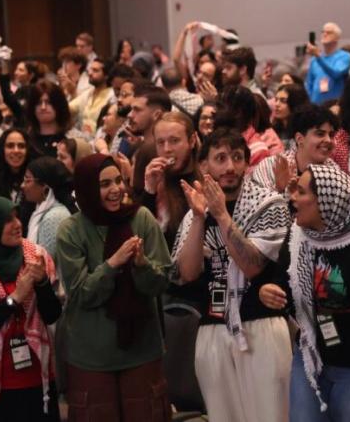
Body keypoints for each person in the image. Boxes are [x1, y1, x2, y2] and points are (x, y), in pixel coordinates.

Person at [257, 164, 350, 420]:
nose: (293, 199)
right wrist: (268, 292)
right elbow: (282, 283)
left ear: (326, 200)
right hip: (310, 357)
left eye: (301, 193)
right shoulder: (297, 239)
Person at [172, 128, 291, 422]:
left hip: (261, 325)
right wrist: (201, 217)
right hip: (212, 328)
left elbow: (252, 265)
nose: (229, 168)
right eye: (220, 158)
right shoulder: (193, 213)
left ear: (247, 162)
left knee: (271, 416)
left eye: (237, 158)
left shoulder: (269, 204)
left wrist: (222, 215)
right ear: (203, 166)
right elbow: (188, 272)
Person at [56, 154, 172, 420]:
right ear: (86, 188)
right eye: (104, 184)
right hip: (91, 356)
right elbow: (81, 294)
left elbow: (162, 280)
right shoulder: (70, 231)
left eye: (119, 180)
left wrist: (142, 265)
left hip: (141, 349)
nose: (116, 190)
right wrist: (113, 263)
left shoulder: (141, 218)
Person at [0, 196, 60, 422]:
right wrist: (15, 297)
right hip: (0, 380)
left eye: (16, 216)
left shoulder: (36, 256)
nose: (17, 224)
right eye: (6, 220)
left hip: (38, 374)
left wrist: (41, 283)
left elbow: (52, 315)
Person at [251, 104, 339, 203]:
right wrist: (281, 191)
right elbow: (259, 208)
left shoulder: (335, 173)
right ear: (299, 139)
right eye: (320, 134)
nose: (328, 140)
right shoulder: (271, 166)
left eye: (331, 135)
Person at [139, 112, 201, 249]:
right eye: (160, 143)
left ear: (192, 141)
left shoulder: (207, 180)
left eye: (174, 141)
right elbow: (139, 234)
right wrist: (149, 191)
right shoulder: (156, 184)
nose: (167, 149)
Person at [21, 157, 76, 255]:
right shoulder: (40, 210)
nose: (22, 185)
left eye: (27, 180)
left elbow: (45, 266)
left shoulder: (54, 217)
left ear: (45, 188)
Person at [25, 80, 86, 157]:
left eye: (48, 102)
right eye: (38, 103)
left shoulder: (75, 140)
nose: (43, 107)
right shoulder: (25, 141)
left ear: (58, 105)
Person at [305, 23, 350, 104]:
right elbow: (309, 84)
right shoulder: (314, 60)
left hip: (334, 106)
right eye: (323, 32)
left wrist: (318, 56)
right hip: (316, 106)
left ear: (337, 38)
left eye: (329, 32)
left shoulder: (344, 56)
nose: (324, 34)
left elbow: (336, 73)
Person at [0, 128, 41, 204]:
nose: (16, 150)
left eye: (21, 146)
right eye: (10, 146)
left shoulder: (38, 180)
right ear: (2, 150)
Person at [69, 58, 113, 135]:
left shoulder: (111, 95)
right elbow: (69, 108)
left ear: (106, 76)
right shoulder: (87, 93)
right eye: (90, 70)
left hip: (101, 139)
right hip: (84, 137)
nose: (90, 73)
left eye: (95, 70)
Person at [272, 83, 310, 148]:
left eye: (283, 101)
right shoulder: (273, 130)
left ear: (295, 103)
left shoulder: (305, 133)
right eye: (276, 100)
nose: (276, 104)